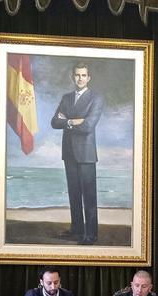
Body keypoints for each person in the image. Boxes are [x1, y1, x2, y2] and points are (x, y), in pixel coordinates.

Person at [50, 61, 105, 245]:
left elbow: (89, 125)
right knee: (74, 194)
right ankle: (76, 229)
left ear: (88, 78)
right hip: (69, 153)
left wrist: (67, 121)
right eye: (77, 75)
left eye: (83, 75)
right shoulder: (66, 98)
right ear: (72, 77)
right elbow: (54, 122)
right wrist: (74, 121)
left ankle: (91, 234)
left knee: (89, 196)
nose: (80, 78)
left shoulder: (96, 98)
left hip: (86, 155)